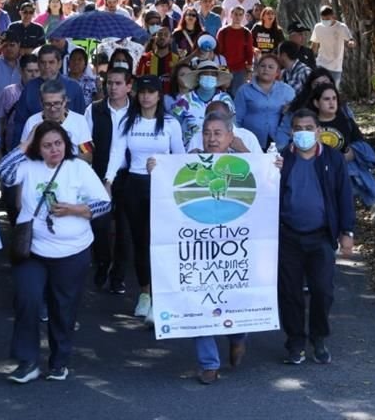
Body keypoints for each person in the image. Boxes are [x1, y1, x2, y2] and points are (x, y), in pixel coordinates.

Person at [0, 121, 110, 383]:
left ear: (66, 144)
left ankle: (59, 361)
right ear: (38, 147)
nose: (54, 150)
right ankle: (27, 362)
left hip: (72, 252)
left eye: (58, 143)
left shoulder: (78, 168)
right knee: (28, 300)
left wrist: (75, 210)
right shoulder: (28, 165)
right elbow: (4, 173)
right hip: (34, 250)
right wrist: (24, 145)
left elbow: (104, 204)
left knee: (63, 308)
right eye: (46, 145)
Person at [104, 75, 185, 324]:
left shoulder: (171, 123)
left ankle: (162, 298)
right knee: (140, 242)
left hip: (162, 188)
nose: (146, 96)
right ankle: (145, 293)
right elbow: (116, 152)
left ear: (160, 95)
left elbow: (180, 157)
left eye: (151, 92)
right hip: (134, 185)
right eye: (142, 92)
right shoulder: (128, 122)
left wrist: (162, 166)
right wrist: (108, 181)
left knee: (160, 242)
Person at [278, 108, 354, 365]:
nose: (303, 133)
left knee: (322, 291)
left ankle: (319, 338)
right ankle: (295, 342)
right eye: (298, 128)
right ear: (291, 132)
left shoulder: (333, 160)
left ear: (319, 132)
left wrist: (347, 232)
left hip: (321, 236)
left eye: (309, 128)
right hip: (288, 235)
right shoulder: (280, 159)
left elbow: (344, 196)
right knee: (290, 293)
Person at [190, 112, 252, 384]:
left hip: (233, 248)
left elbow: (270, 181)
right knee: (197, 298)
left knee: (233, 298)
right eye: (207, 133)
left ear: (230, 137)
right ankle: (209, 364)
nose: (211, 138)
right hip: (198, 249)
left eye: (217, 133)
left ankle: (238, 337)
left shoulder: (246, 166)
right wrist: (157, 167)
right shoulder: (188, 163)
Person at [84, 67, 133, 294]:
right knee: (100, 224)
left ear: (128, 86)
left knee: (125, 228)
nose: (112, 87)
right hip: (99, 173)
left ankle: (118, 276)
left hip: (129, 175)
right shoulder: (94, 110)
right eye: (109, 83)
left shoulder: (137, 112)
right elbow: (85, 143)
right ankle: (103, 262)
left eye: (117, 83)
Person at [11, 44, 86, 145]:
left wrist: (80, 156)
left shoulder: (74, 88)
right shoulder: (29, 89)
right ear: (38, 64)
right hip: (36, 148)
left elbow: (81, 122)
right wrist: (17, 153)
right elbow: (20, 123)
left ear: (59, 64)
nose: (47, 67)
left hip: (69, 149)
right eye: (43, 62)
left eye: (51, 62)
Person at [21, 78, 94, 163]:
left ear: (65, 101)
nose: (53, 109)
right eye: (47, 104)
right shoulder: (32, 122)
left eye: (57, 103)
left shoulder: (79, 121)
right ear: (41, 103)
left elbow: (87, 154)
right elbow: (23, 154)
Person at [234, 54, 296, 151]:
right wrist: (238, 137)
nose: (266, 69)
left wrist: (288, 110)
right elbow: (237, 118)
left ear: (277, 72)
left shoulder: (287, 91)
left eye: (271, 67)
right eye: (262, 66)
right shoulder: (244, 90)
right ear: (257, 69)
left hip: (279, 141)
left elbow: (295, 116)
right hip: (250, 139)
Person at [171, 61, 235, 146]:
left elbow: (233, 126)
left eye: (213, 75)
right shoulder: (184, 100)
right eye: (205, 74)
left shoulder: (225, 99)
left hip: (219, 150)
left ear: (216, 78)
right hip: (190, 152)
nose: (209, 77)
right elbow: (173, 128)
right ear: (198, 78)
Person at [0, 55, 40, 153]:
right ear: (21, 71)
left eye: (37, 71)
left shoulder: (44, 93)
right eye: (29, 71)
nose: (34, 75)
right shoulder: (9, 92)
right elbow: (0, 122)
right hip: (12, 146)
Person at [310, 6, 356, 88]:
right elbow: (314, 45)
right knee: (319, 90)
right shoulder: (318, 27)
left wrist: (351, 43)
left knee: (333, 90)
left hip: (335, 67)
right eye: (323, 19)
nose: (325, 21)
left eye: (327, 19)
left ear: (333, 16)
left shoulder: (341, 27)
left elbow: (350, 39)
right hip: (321, 64)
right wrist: (310, 60)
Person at [216, 7, 255, 98]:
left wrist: (249, 70)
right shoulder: (223, 32)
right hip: (225, 67)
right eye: (236, 14)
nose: (238, 17)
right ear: (231, 15)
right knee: (224, 93)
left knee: (237, 94)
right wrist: (222, 70)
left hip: (240, 69)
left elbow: (249, 52)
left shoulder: (246, 33)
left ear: (243, 17)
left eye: (240, 14)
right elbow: (219, 53)